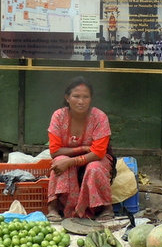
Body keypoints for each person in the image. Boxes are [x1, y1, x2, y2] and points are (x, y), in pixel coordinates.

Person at [46, 77, 115, 222]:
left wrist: (71, 161)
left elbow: (98, 153)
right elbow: (54, 151)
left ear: (91, 99)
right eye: (76, 96)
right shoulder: (58, 116)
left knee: (94, 168)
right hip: (71, 156)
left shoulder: (99, 117)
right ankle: (53, 207)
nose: (81, 101)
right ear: (67, 98)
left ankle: (105, 208)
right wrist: (82, 148)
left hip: (96, 159)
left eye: (86, 97)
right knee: (59, 161)